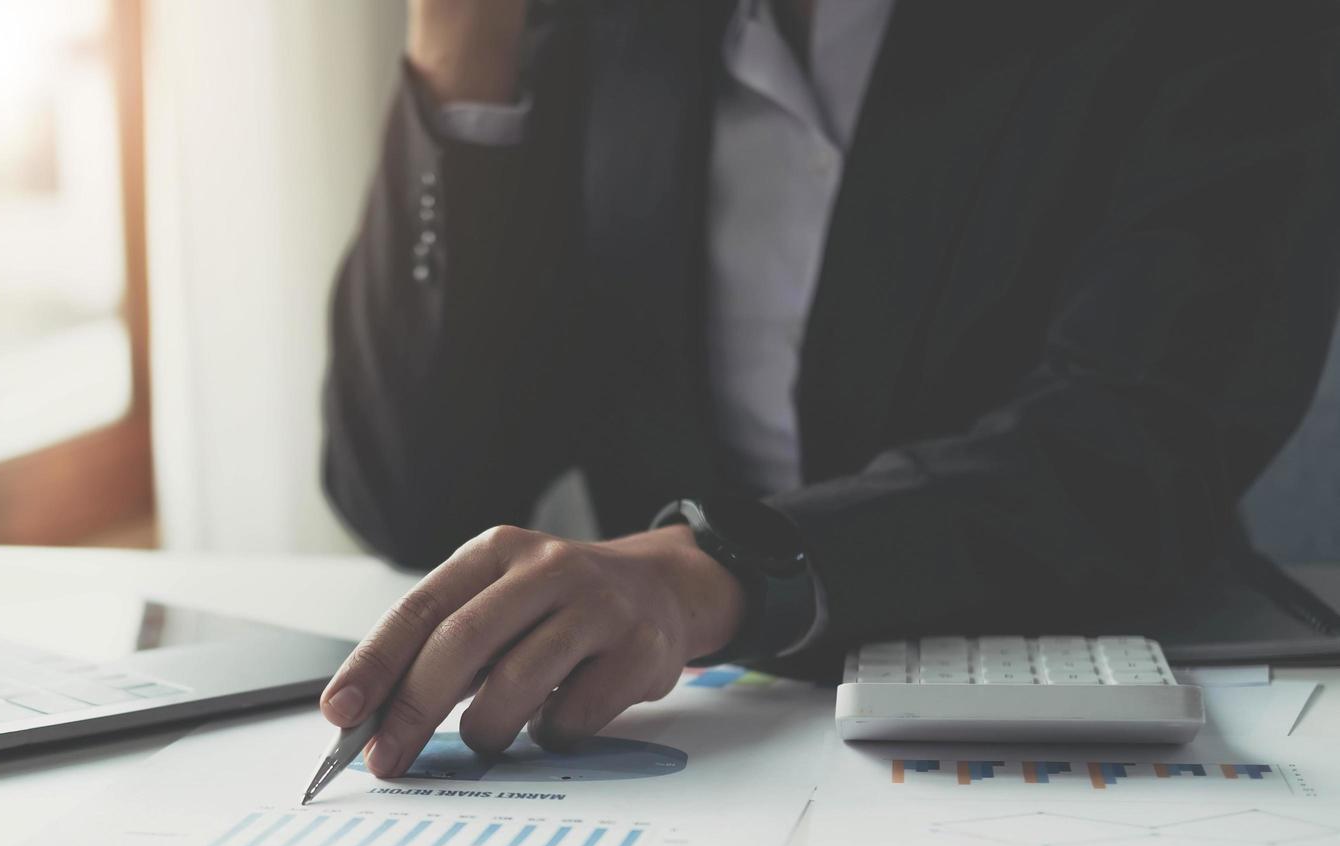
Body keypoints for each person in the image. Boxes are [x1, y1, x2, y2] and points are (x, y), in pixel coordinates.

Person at [317, 0, 1340, 778]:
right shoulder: (603, 27)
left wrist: (718, 565)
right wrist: (463, 50)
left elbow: (1138, 439)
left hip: (1122, 689)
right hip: (706, 730)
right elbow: (416, 496)